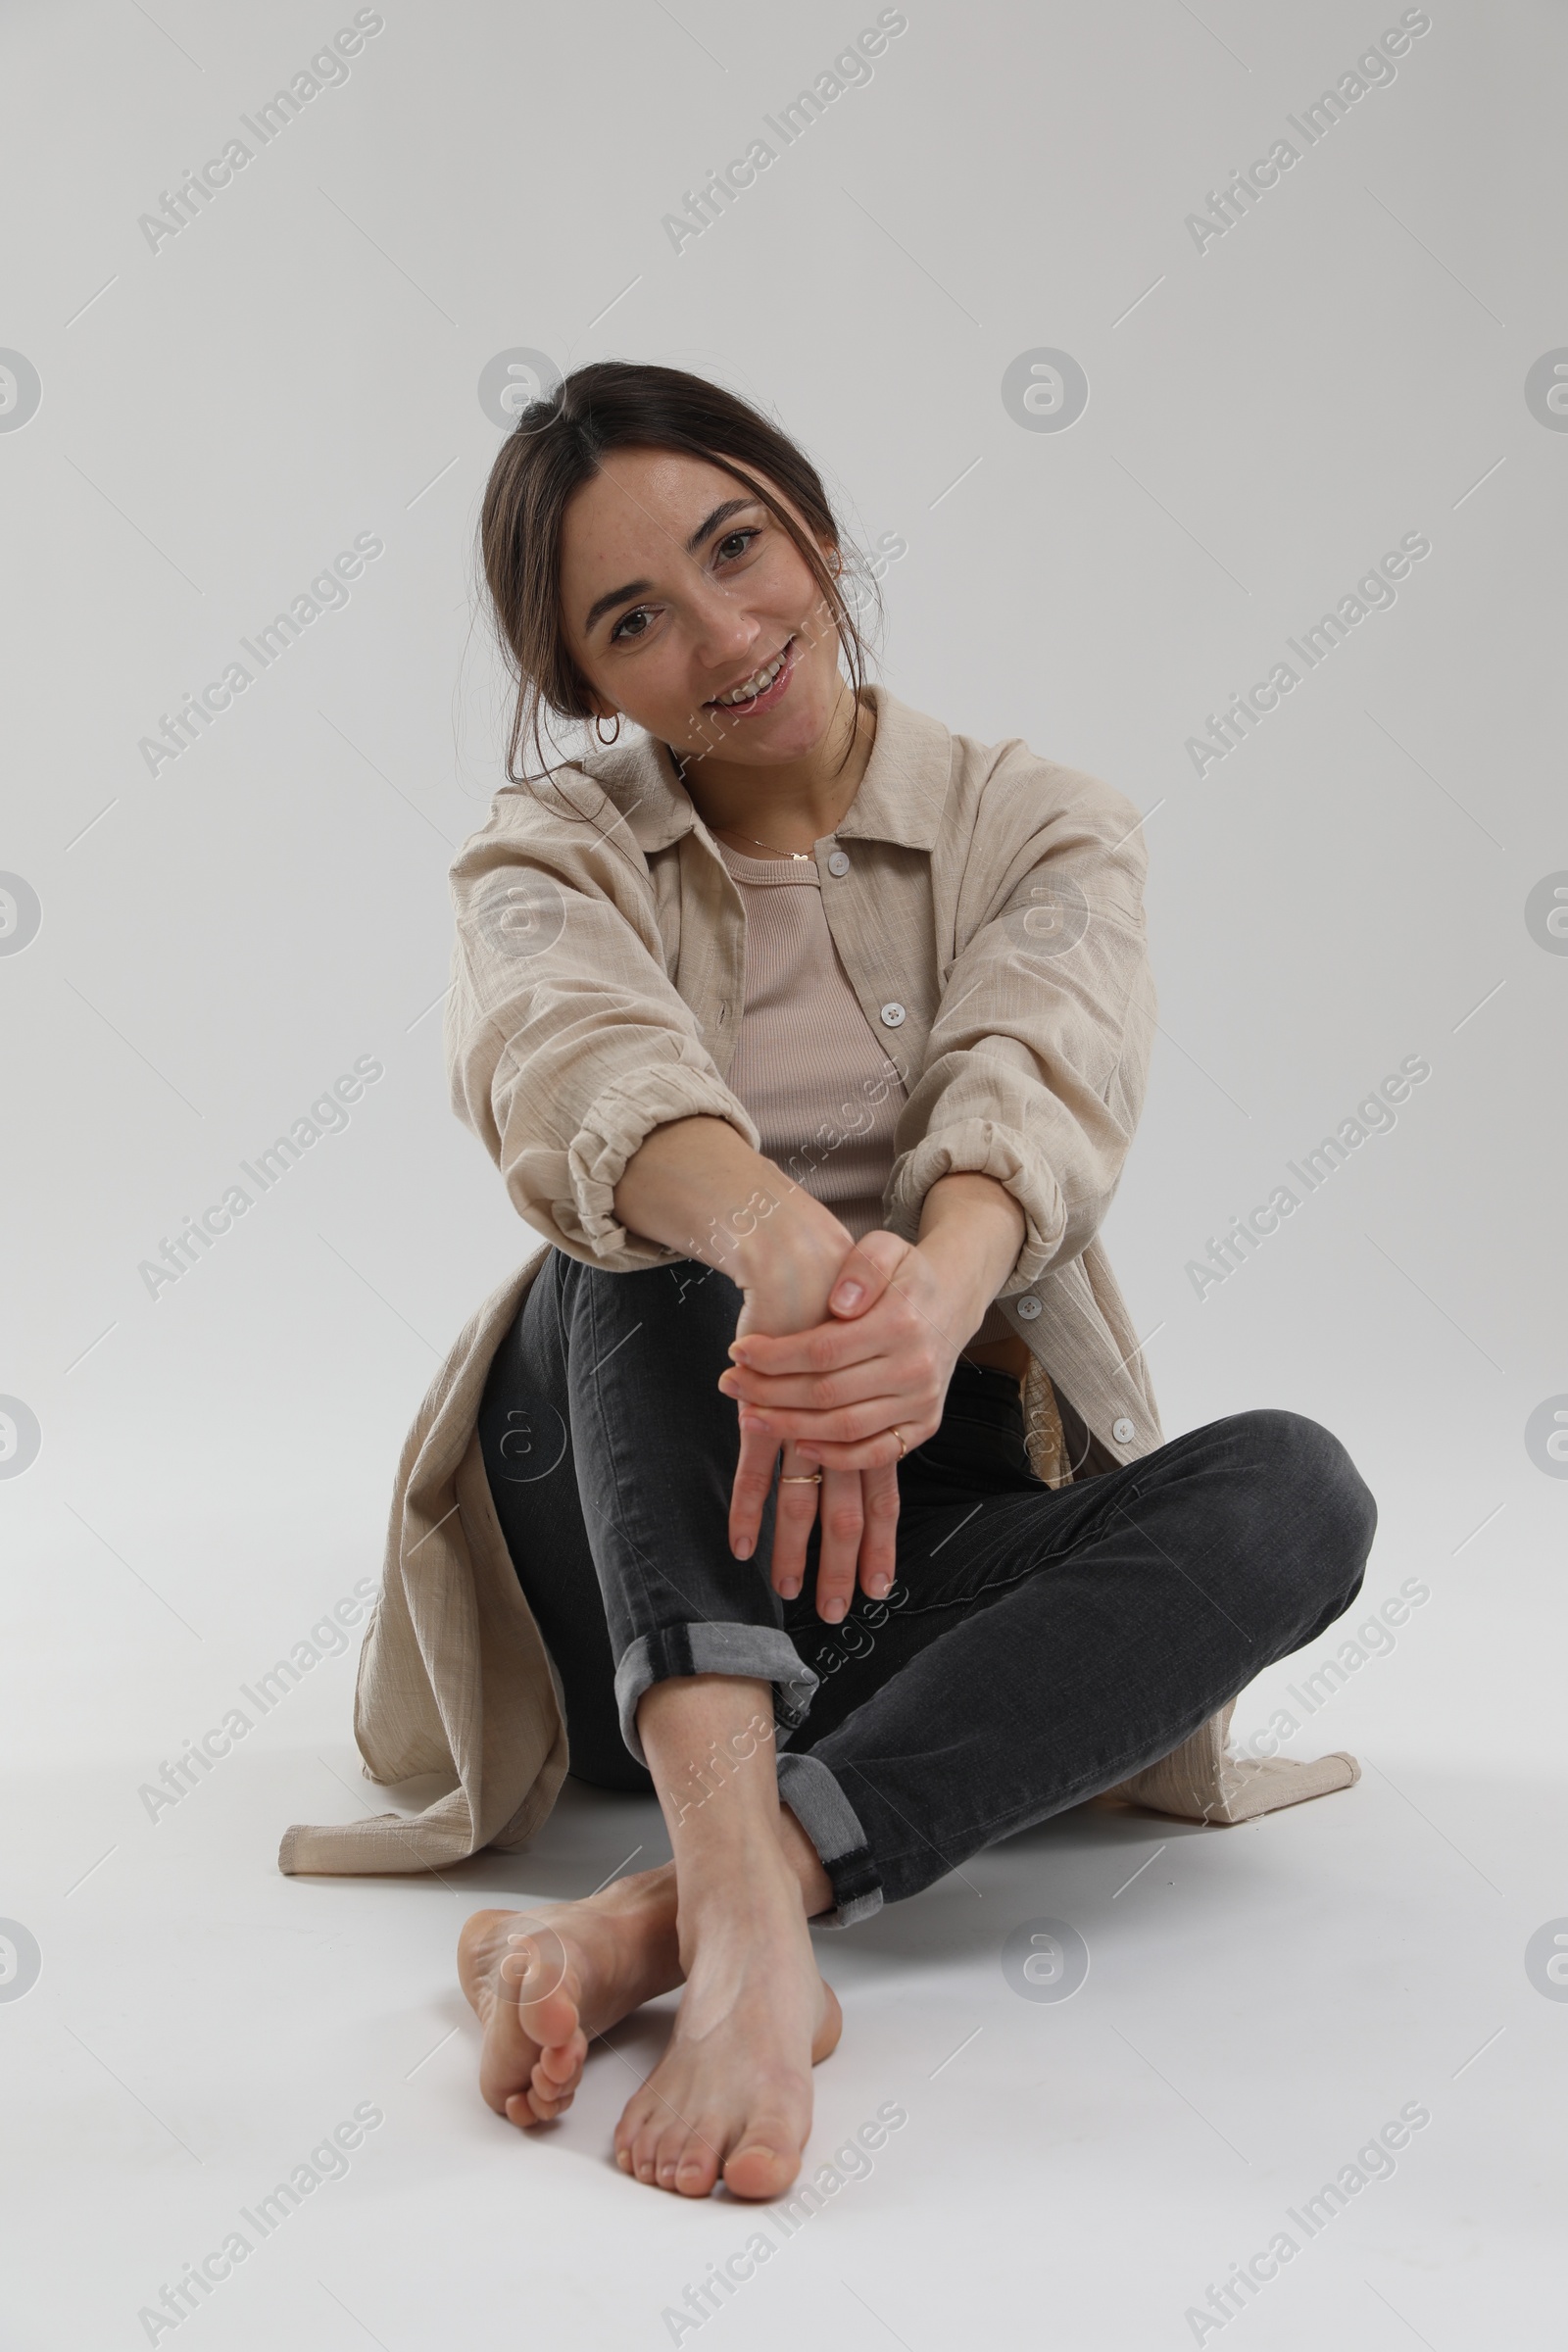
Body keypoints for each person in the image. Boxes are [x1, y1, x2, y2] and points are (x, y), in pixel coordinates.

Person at [424, 361, 1377, 2202]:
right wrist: (777, 1250)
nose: (721, 634)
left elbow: (1042, 1080)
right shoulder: (545, 852)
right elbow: (573, 1067)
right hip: (625, 1529)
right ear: (581, 683)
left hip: (906, 1551)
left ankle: (697, 1908)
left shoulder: (1045, 823)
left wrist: (925, 1314)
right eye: (636, 618)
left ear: (815, 529)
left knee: (1298, 1497)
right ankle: (747, 1913)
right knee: (628, 1237)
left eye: (739, 547)